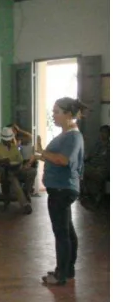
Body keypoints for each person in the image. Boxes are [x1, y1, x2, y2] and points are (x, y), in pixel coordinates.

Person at [34, 98, 85, 286]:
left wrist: (43, 152)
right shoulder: (67, 135)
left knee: (61, 233)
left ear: (68, 115)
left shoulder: (72, 136)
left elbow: (63, 160)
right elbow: (57, 160)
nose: (53, 115)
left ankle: (61, 274)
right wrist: (40, 156)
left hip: (62, 189)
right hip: (61, 187)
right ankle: (67, 270)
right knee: (67, 230)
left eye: (57, 112)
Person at [0, 127, 36, 214]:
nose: (7, 141)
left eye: (8, 139)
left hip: (16, 169)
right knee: (13, 179)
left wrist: (22, 165)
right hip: (3, 171)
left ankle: (26, 191)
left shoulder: (14, 147)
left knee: (32, 171)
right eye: (5, 140)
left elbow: (20, 160)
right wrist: (1, 161)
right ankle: (25, 204)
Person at [82, 124, 109, 206]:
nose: (102, 134)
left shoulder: (109, 146)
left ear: (109, 134)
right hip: (92, 166)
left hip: (103, 168)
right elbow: (90, 156)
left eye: (104, 132)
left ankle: (97, 197)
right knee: (81, 170)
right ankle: (86, 194)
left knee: (97, 175)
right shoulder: (97, 144)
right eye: (101, 132)